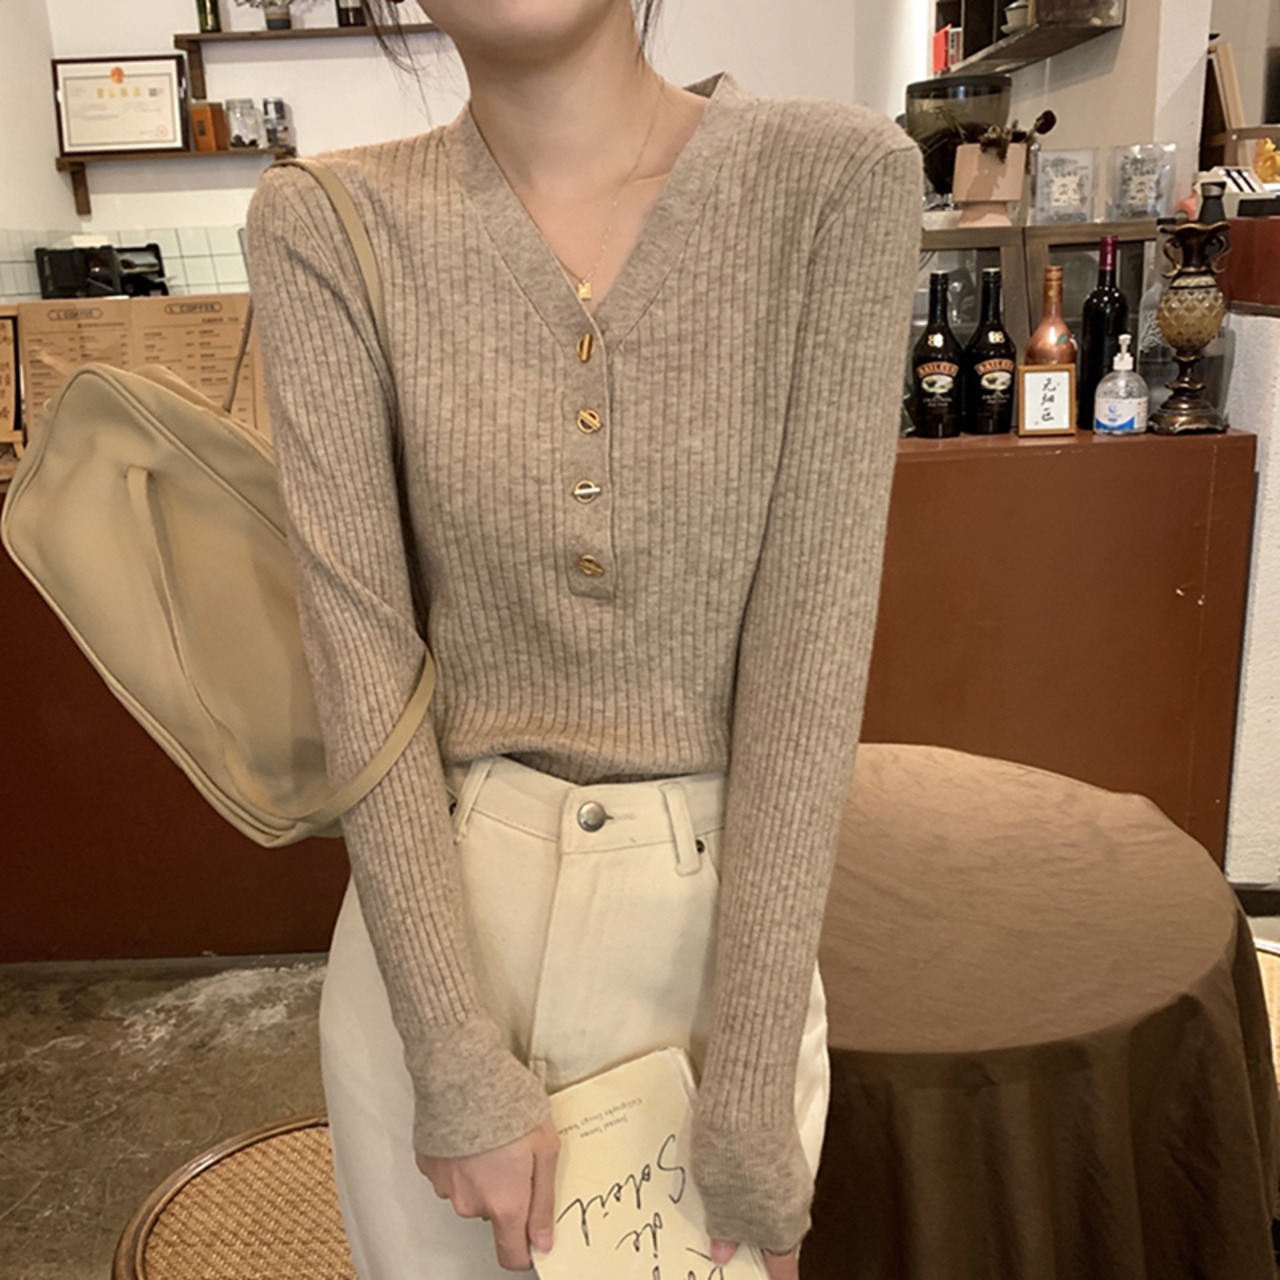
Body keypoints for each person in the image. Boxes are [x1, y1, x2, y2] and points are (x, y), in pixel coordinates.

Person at [243, 1, 920, 1276]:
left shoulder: (831, 181)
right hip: (438, 937)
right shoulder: (326, 221)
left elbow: (811, 658)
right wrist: (450, 1054)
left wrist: (750, 1078)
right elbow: (358, 654)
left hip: (717, 947)